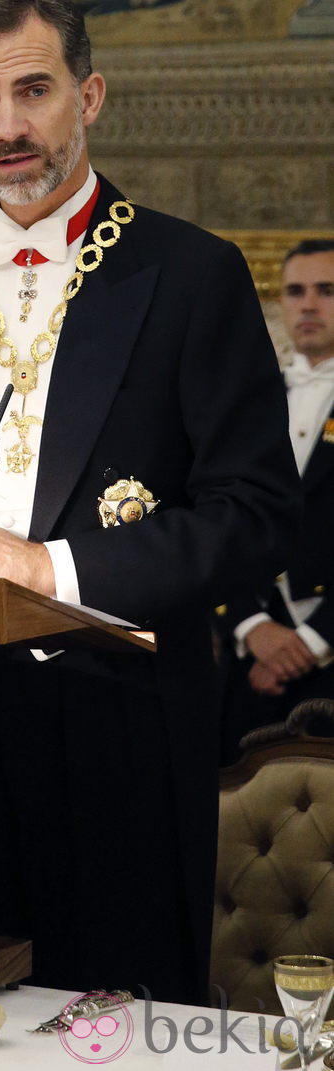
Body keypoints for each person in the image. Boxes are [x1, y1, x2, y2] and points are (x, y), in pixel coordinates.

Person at [0, 0, 298, 1005]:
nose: (8, 125)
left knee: (111, 1022)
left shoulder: (188, 272)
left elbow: (256, 509)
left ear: (87, 96)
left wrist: (55, 567)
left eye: (32, 90)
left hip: (122, 722)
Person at [219, 240, 334, 762]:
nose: (308, 304)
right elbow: (215, 520)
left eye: (326, 290)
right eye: (295, 291)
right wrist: (250, 626)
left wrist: (310, 643)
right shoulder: (250, 399)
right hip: (248, 666)